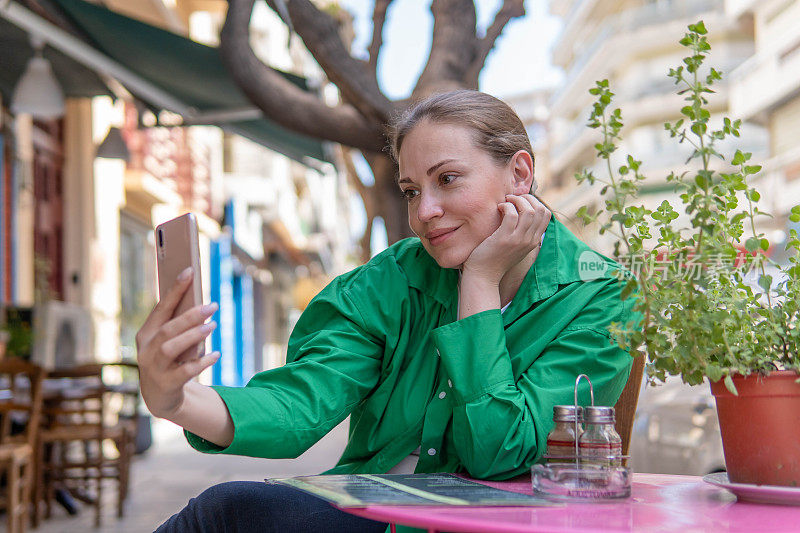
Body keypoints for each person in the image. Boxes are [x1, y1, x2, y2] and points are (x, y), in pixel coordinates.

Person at [137, 90, 639, 532]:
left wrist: (480, 283)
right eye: (412, 191)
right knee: (228, 510)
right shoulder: (391, 279)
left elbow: (500, 452)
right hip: (371, 514)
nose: (424, 212)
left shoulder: (600, 296)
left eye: (448, 179)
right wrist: (177, 400)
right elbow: (300, 406)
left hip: (496, 524)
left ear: (519, 174)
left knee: (224, 514)